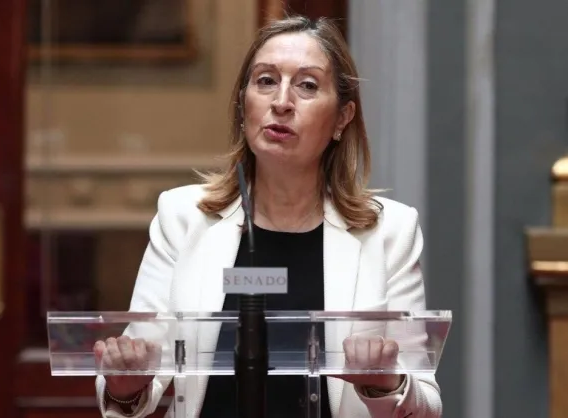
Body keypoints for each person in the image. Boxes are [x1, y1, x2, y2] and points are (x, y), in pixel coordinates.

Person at [93, 15, 442, 418]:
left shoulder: (389, 232)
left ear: (342, 118)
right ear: (244, 106)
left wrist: (385, 383)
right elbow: (137, 369)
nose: (281, 102)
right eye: (266, 81)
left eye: (307, 85)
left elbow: (425, 405)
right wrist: (125, 385)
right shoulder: (183, 218)